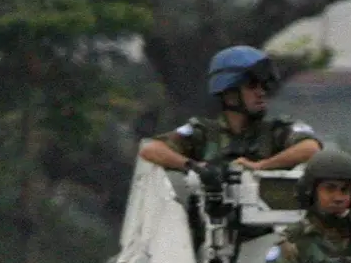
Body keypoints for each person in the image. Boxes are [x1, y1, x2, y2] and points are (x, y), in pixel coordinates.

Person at [138, 46, 322, 174]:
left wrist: (261, 166)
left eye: (263, 85)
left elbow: (311, 148)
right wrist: (195, 167)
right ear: (229, 93)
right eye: (252, 86)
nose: (261, 92)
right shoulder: (203, 132)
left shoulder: (276, 130)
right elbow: (151, 149)